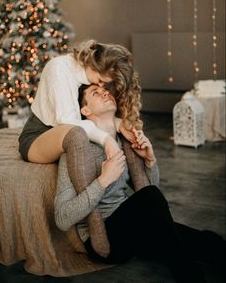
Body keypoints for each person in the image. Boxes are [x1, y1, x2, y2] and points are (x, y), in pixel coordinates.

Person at [54, 85, 225, 283]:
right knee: (160, 216)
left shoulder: (125, 140)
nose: (104, 92)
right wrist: (103, 180)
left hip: (133, 225)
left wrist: (150, 161)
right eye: (95, 93)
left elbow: (153, 195)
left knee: (207, 243)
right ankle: (189, 275)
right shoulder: (76, 152)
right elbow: (62, 218)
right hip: (101, 239)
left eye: (104, 90)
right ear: (85, 111)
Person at [18, 39, 142, 164]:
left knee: (125, 133)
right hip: (37, 138)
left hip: (70, 135)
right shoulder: (59, 70)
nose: (101, 85)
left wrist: (119, 124)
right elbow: (67, 122)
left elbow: (89, 111)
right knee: (76, 134)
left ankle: (141, 180)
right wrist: (106, 139)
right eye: (100, 80)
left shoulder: (86, 74)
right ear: (93, 66)